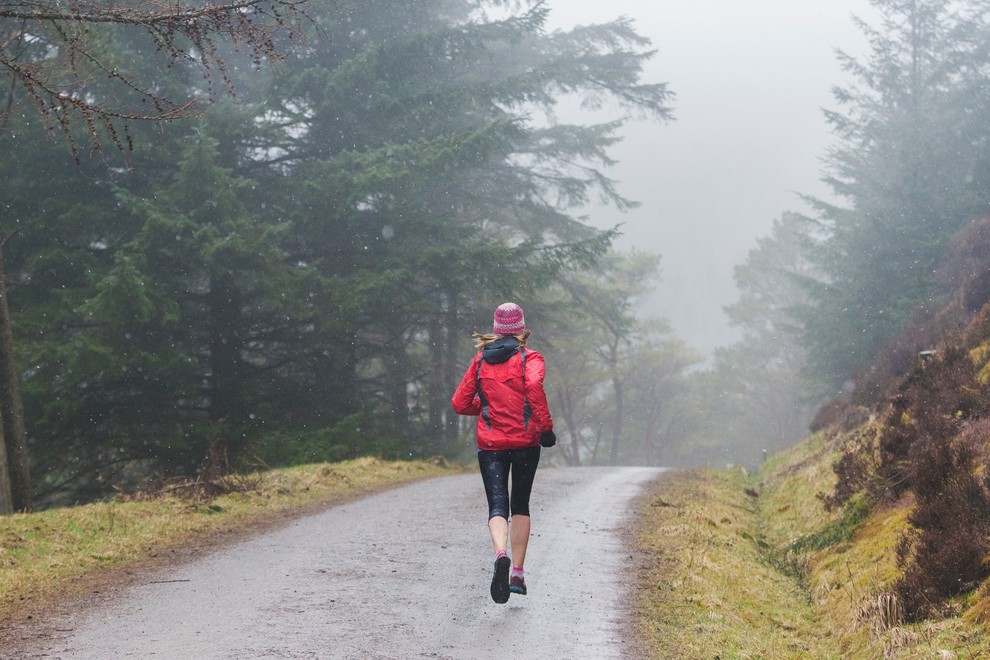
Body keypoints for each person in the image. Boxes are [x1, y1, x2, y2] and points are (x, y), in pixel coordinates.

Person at [451, 302, 556, 604]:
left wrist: (486, 408)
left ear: (496, 330)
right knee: (520, 505)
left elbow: (459, 402)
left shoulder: (481, 361)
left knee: (497, 505)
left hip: (491, 444)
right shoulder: (530, 359)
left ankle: (500, 554)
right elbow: (534, 385)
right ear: (521, 328)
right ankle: (518, 574)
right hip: (525, 442)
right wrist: (545, 427)